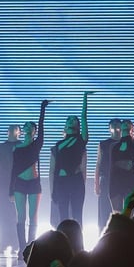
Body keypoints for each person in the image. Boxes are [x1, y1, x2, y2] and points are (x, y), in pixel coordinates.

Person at [49, 91, 94, 225]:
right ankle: (63, 237)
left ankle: (78, 237)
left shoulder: (80, 140)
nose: (71, 121)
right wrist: (52, 191)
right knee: (62, 215)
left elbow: (84, 118)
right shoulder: (58, 145)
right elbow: (52, 170)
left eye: (74, 119)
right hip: (61, 182)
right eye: (69, 119)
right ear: (65, 126)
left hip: (76, 180)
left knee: (77, 214)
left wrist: (85, 99)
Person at [11, 100, 50, 251]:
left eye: (31, 126)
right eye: (25, 125)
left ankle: (31, 246)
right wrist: (10, 189)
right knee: (21, 216)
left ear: (34, 131)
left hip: (34, 183)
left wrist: (42, 108)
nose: (28, 127)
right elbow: (14, 169)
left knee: (33, 216)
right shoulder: (17, 147)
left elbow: (42, 125)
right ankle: (22, 247)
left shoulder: (37, 143)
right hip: (19, 183)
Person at [0, 124, 21, 253]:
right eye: (10, 129)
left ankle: (16, 243)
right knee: (2, 214)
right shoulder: (0, 148)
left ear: (19, 132)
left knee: (16, 214)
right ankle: (2, 243)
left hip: (19, 183)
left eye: (15, 128)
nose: (11, 130)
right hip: (3, 183)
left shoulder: (23, 146)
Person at [93, 118, 122, 231]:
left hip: (121, 180)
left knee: (119, 210)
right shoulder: (103, 144)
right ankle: (103, 234)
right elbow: (98, 163)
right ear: (109, 128)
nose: (115, 126)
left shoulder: (126, 143)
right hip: (106, 180)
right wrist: (96, 184)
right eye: (113, 125)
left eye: (117, 124)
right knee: (104, 210)